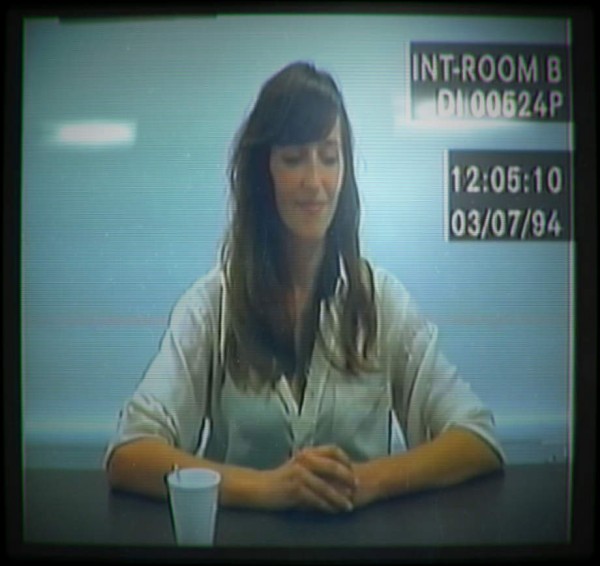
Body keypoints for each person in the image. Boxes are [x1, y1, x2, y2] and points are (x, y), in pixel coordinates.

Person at [105, 61, 504, 514]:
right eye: (294, 158)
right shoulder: (213, 305)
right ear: (264, 173)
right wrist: (266, 488)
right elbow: (130, 453)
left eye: (329, 157)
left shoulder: (380, 301)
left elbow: (477, 438)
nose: (315, 183)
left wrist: (363, 481)